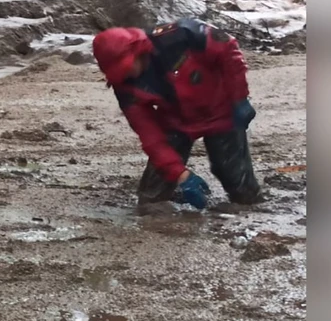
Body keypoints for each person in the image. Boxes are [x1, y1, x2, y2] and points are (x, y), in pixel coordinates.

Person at [91, 18, 263, 210]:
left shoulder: (182, 35)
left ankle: (252, 206)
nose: (127, 75)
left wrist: (239, 98)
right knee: (151, 198)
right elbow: (150, 135)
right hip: (176, 122)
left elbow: (228, 49)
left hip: (221, 112)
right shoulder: (124, 85)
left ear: (138, 51)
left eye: (126, 67)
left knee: (241, 188)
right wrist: (182, 175)